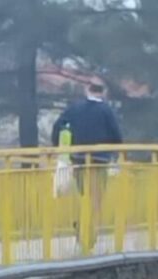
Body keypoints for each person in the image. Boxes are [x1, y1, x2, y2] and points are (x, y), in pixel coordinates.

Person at [51, 82, 124, 250]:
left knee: (82, 194)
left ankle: (80, 221)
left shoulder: (75, 108)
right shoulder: (106, 111)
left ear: (87, 90)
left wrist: (57, 145)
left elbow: (58, 125)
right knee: (96, 198)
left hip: (79, 159)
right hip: (99, 161)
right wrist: (115, 153)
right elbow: (116, 135)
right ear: (103, 92)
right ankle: (90, 233)